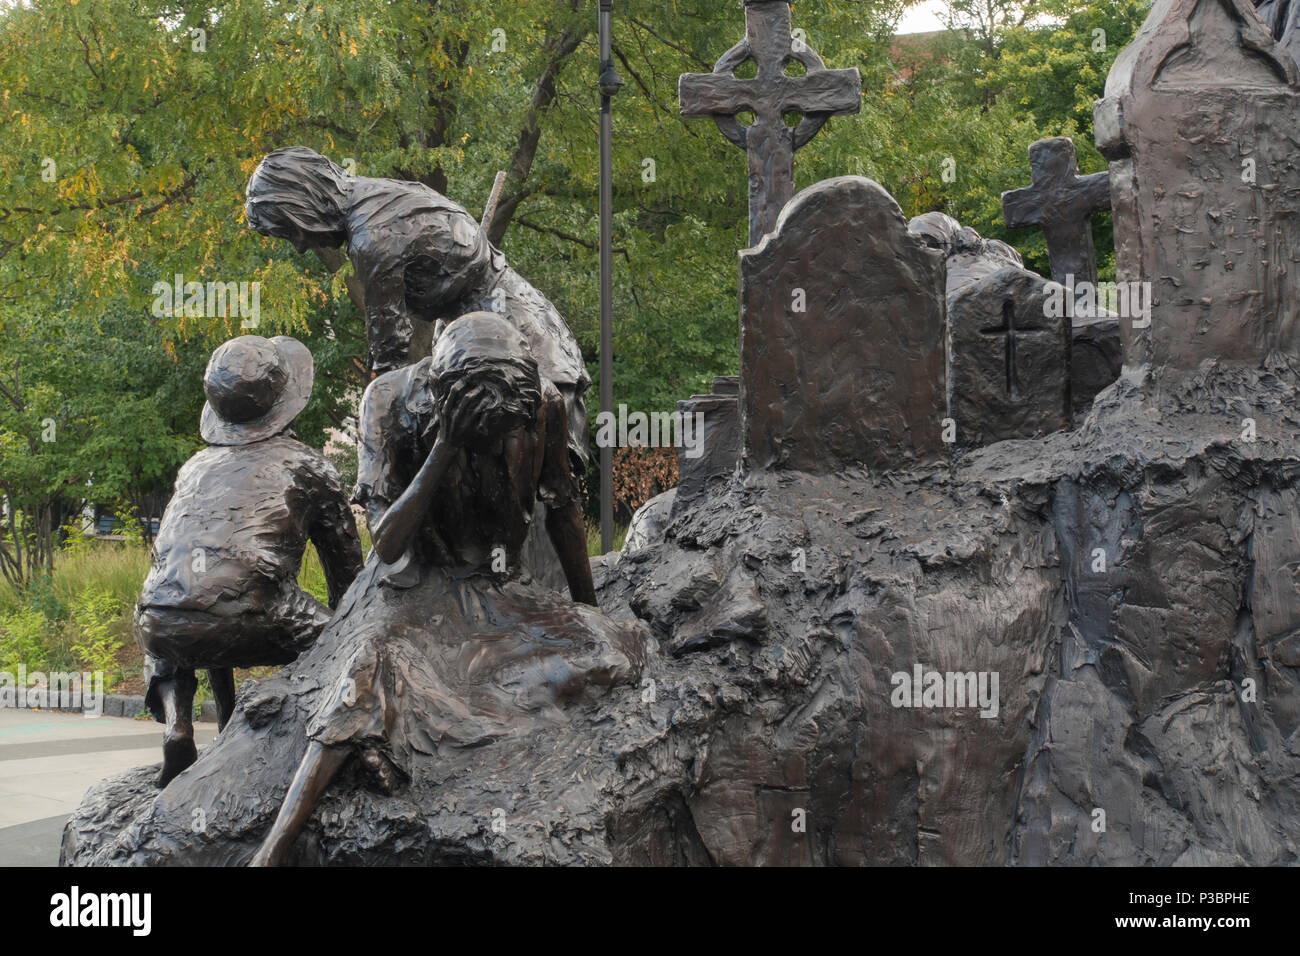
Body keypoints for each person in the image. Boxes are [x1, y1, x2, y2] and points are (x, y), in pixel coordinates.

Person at [249, 313, 651, 866]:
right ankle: (273, 850)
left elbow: (562, 510)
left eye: (508, 432)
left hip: (497, 592)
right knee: (368, 667)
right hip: (411, 586)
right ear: (446, 402)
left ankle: (408, 734)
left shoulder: (544, 404)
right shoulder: (386, 401)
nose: (497, 445)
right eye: (485, 435)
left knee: (606, 651)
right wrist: (444, 447)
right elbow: (386, 544)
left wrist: (589, 611)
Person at [243, 146, 591, 474]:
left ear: (305, 203)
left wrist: (382, 429)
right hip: (490, 318)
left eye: (292, 231)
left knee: (529, 449)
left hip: (505, 331)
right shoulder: (377, 194)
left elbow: (390, 353)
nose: (301, 246)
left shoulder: (372, 236)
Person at [135, 335, 363, 787]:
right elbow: (349, 583)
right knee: (348, 645)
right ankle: (330, 749)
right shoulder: (311, 468)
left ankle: (177, 722)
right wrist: (346, 639)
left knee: (169, 609)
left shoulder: (195, 467)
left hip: (161, 620)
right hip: (253, 613)